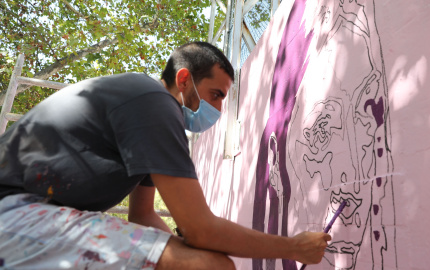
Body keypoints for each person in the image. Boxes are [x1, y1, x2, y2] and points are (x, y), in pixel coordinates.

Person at [0, 41, 331, 269]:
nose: (218, 108)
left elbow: (142, 215)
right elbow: (201, 229)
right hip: (14, 216)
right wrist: (292, 247)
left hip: (25, 216)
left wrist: (186, 240)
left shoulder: (141, 107)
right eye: (216, 95)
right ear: (184, 79)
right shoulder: (155, 104)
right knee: (209, 266)